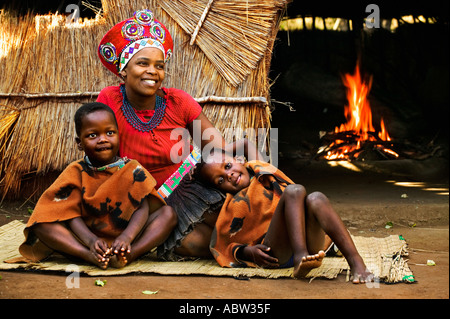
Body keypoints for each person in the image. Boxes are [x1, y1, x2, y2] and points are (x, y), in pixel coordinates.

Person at [96, 9, 258, 260]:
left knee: (229, 219)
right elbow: (102, 154)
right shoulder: (110, 100)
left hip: (193, 186)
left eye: (159, 66)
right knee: (194, 243)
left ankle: (283, 239)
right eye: (143, 63)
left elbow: (217, 149)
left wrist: (246, 157)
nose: (153, 71)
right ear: (123, 71)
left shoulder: (179, 102)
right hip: (149, 203)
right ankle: (254, 249)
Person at [18, 102, 177, 269]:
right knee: (41, 222)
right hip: (84, 239)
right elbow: (69, 213)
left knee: (168, 214)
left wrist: (127, 238)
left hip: (127, 237)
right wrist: (91, 241)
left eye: (110, 133)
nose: (103, 139)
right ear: (79, 143)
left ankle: (128, 255)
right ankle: (89, 256)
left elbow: (142, 208)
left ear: (118, 135)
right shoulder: (75, 171)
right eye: (93, 135)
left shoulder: (132, 168)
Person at [192, 148, 374, 283]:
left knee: (316, 198)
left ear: (239, 159)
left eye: (228, 165)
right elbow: (224, 244)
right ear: (218, 189)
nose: (229, 175)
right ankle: (300, 258)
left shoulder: (262, 171)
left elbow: (246, 143)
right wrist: (247, 251)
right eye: (221, 180)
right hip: (276, 252)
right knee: (295, 192)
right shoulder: (232, 205)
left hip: (310, 245)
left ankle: (357, 262)